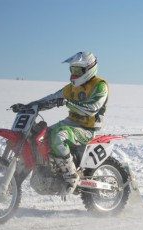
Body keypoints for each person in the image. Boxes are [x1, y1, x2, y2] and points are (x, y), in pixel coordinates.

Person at [34, 51, 109, 195]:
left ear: (89, 68)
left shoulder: (100, 85)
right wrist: (31, 105)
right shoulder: (71, 87)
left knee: (58, 136)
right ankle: (52, 172)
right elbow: (52, 98)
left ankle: (71, 176)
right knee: (40, 136)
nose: (74, 74)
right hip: (70, 123)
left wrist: (68, 102)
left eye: (78, 70)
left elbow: (92, 109)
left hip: (87, 129)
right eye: (72, 69)